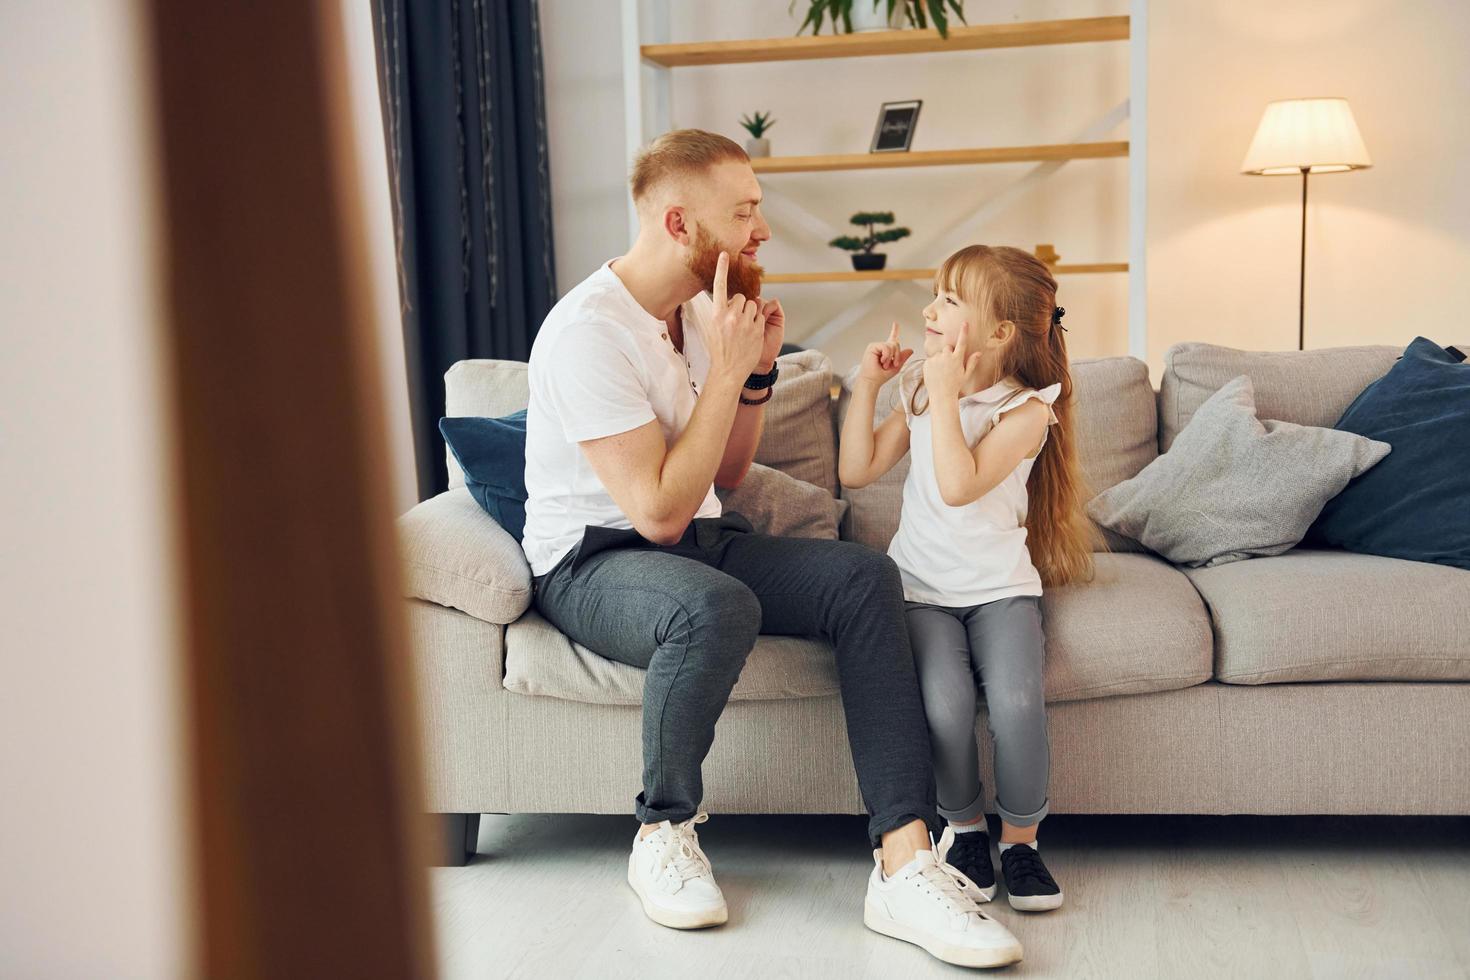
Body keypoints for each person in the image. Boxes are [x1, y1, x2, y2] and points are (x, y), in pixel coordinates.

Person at [521, 130, 1023, 968]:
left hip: (699, 539)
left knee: (866, 578)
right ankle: (662, 831)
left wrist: (752, 373)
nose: (761, 232)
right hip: (593, 561)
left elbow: (722, 473)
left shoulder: (690, 316)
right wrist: (724, 368)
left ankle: (902, 864)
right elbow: (654, 511)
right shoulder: (587, 332)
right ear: (681, 222)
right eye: (745, 213)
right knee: (717, 605)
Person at [839, 244, 1099, 916]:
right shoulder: (924, 390)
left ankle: (1021, 843)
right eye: (935, 294)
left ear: (999, 332)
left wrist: (948, 394)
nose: (929, 309)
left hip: (1000, 591)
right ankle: (967, 832)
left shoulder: (1027, 413)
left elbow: (958, 485)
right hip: (922, 590)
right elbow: (857, 471)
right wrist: (869, 384)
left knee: (1016, 705)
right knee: (946, 707)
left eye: (949, 300)